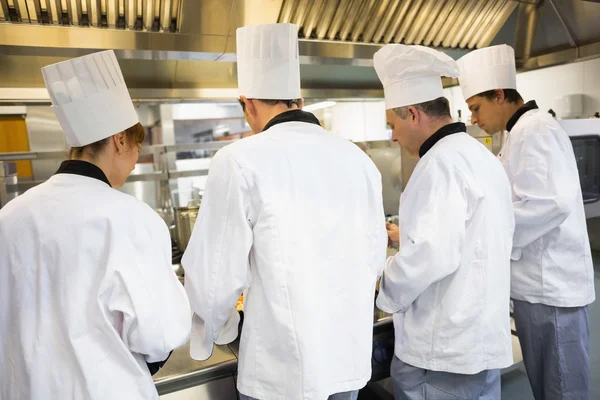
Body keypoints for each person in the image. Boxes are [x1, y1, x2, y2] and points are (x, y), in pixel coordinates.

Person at [182, 23, 387, 400]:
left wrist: (219, 329)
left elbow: (215, 277)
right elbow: (374, 262)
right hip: (347, 365)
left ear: (248, 104)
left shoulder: (239, 160)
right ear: (300, 102)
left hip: (281, 373)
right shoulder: (358, 160)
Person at [0, 50, 191, 400]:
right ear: (119, 140)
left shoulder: (9, 216)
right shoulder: (131, 217)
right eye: (136, 148)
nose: (135, 162)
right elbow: (159, 335)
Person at [374, 44, 515, 399]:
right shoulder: (479, 156)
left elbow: (431, 256)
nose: (393, 136)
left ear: (413, 114)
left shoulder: (439, 164)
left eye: (393, 124)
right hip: (478, 343)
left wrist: (381, 283)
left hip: (441, 353)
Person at [458, 44, 595, 400]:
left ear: (500, 95)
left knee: (562, 389)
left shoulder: (536, 130)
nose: (473, 118)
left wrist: (486, 228)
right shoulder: (517, 133)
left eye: (476, 107)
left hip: (550, 288)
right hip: (536, 287)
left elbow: (552, 203)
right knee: (549, 388)